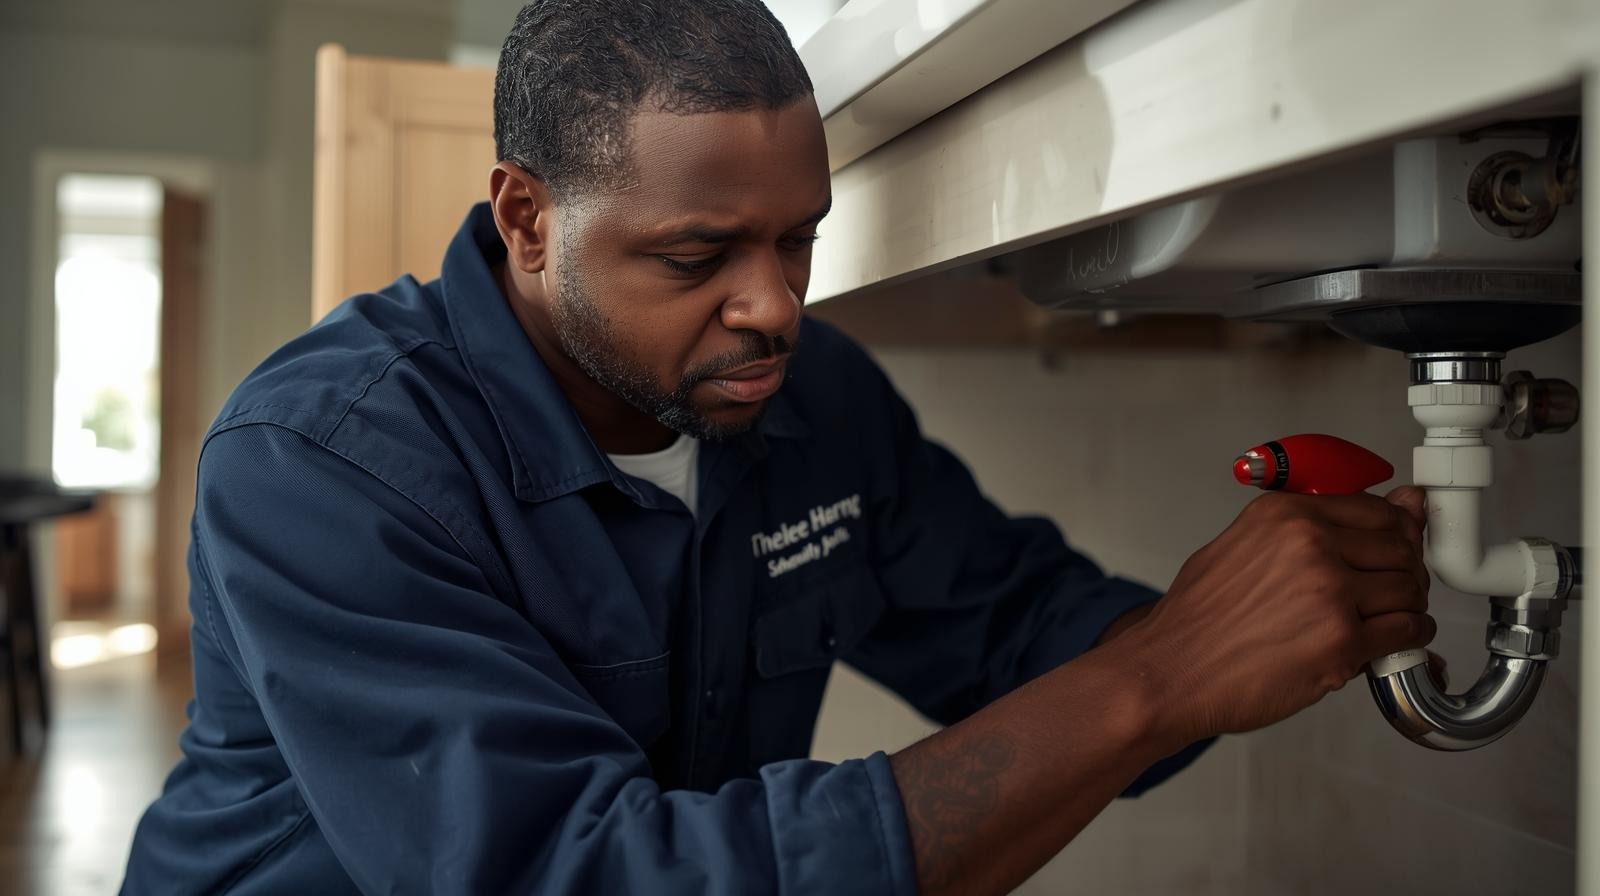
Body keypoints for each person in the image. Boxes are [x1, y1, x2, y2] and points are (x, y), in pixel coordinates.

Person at [121, 1, 1434, 893]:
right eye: (698, 256)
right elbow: (579, 874)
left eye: (797, 238)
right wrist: (1161, 675)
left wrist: (1254, 613)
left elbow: (1024, 634)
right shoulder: (323, 463)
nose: (775, 306)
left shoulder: (813, 401)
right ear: (527, 220)